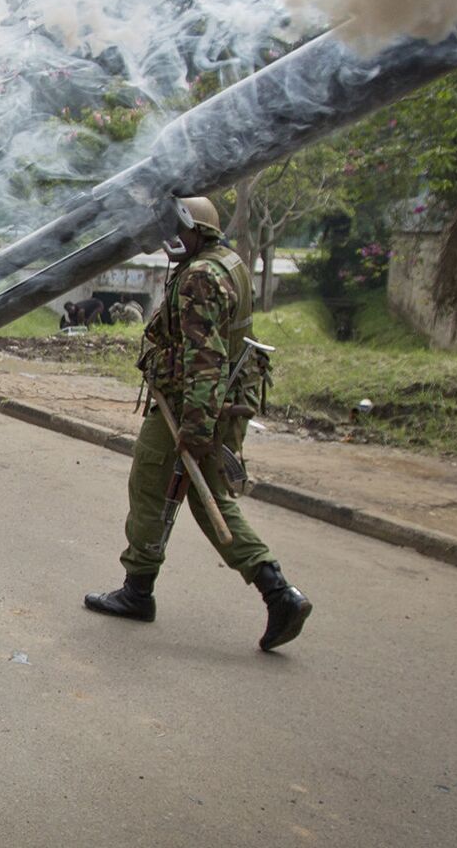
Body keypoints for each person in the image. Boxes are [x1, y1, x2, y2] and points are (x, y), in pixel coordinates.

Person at [84, 197, 311, 651]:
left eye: (177, 231)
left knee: (153, 486)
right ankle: (274, 590)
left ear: (197, 231)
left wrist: (195, 425)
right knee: (208, 501)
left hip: (193, 405)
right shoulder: (228, 262)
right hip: (221, 403)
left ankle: (141, 592)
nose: (169, 241)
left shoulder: (200, 277)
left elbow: (204, 358)